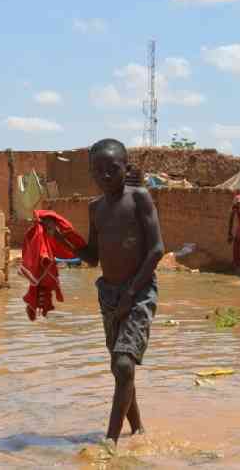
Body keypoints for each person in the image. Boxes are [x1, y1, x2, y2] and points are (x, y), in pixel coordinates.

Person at [43, 138, 164, 448]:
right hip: (109, 293)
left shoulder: (139, 199)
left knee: (124, 364)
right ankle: (137, 431)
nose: (106, 175)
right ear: (91, 173)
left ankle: (110, 443)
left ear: (125, 169)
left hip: (138, 290)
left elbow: (156, 250)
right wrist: (61, 237)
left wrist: (132, 293)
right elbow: (92, 256)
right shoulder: (95, 207)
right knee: (119, 368)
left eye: (113, 169)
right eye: (99, 170)